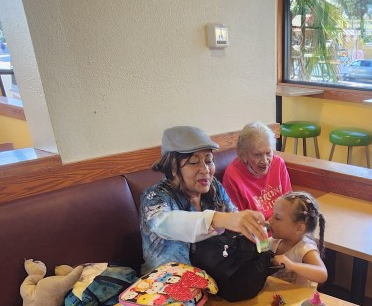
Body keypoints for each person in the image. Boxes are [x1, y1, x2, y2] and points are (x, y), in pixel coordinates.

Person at [140, 125, 268, 273]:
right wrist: (218, 219)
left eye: (208, 161)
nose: (206, 170)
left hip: (215, 275)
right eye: (194, 162)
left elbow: (233, 218)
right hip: (168, 281)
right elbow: (166, 223)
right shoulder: (154, 196)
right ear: (173, 167)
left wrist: (260, 236)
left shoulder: (213, 187)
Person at [222, 122, 292, 219]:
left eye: (268, 153)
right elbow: (239, 220)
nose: (265, 161)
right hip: (256, 227)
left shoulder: (278, 164)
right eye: (257, 155)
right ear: (243, 155)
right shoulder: (233, 176)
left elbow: (289, 203)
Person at [267, 191, 328, 288]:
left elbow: (322, 274)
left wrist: (292, 266)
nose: (270, 220)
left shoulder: (305, 248)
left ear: (299, 228)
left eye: (277, 218)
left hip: (299, 296)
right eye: (272, 214)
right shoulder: (274, 241)